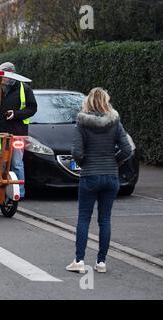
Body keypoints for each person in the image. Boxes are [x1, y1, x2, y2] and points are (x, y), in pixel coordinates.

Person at [66, 88, 132, 274]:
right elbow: (127, 149)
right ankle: (101, 262)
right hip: (111, 176)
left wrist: (85, 164)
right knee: (105, 219)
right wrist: (114, 162)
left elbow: (76, 152)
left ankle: (79, 260)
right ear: (106, 101)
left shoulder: (82, 123)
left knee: (84, 218)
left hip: (89, 176)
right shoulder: (115, 122)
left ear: (88, 101)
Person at [0, 62, 37, 199]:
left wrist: (16, 114)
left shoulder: (24, 89)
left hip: (17, 133)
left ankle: (19, 193)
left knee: (16, 163)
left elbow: (32, 108)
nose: (1, 79)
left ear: (11, 74)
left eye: (2, 76)